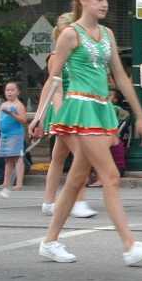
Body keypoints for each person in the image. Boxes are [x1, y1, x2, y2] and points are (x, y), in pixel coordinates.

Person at [30, 0, 142, 265]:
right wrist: (39, 116)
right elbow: (53, 78)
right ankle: (129, 245)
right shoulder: (69, 34)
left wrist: (139, 114)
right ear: (83, 0)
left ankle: (50, 241)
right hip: (81, 108)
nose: (104, 4)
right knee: (111, 175)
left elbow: (120, 75)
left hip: (102, 108)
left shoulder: (107, 34)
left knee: (77, 178)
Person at [37, 13, 98, 220]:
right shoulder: (56, 56)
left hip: (75, 107)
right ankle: (78, 201)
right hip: (64, 110)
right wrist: (59, 113)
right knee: (81, 155)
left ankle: (48, 202)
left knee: (58, 157)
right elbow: (55, 86)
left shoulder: (76, 54)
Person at [0, 82, 28, 198]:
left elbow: (24, 120)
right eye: (7, 90)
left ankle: (19, 183)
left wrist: (12, 114)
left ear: (18, 92)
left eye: (12, 90)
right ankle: (6, 182)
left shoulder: (19, 105)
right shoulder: (3, 104)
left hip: (15, 134)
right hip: (5, 134)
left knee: (18, 158)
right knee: (8, 159)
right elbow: (1, 118)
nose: (9, 92)